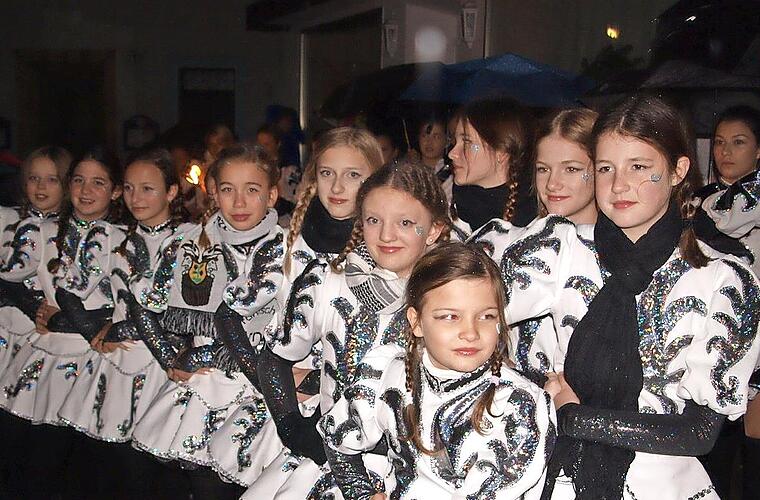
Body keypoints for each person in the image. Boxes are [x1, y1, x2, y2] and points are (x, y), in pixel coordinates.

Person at [470, 95, 760, 499]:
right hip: (556, 478)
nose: (618, 185)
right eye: (606, 168)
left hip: (664, 486)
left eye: (638, 167)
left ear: (678, 170)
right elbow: (461, 316)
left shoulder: (723, 280)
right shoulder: (560, 249)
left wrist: (573, 417)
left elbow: (697, 432)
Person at [245, 161, 450, 499]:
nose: (386, 235)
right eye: (373, 220)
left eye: (404, 222)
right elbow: (274, 358)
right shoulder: (329, 281)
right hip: (333, 466)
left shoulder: (452, 294)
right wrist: (292, 427)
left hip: (420, 474)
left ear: (433, 229)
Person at [207, 127, 384, 487]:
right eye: (327, 173)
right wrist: (273, 385)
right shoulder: (288, 246)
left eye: (353, 175)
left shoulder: (388, 248)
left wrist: (322, 381)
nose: (337, 187)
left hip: (363, 416)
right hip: (289, 405)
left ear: (375, 180)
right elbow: (228, 313)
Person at [321, 242, 556, 499]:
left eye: (486, 316)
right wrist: (361, 493)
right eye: (450, 317)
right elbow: (337, 439)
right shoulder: (389, 372)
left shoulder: (517, 403)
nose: (470, 333)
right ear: (417, 322)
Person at [127, 143, 283, 499]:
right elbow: (146, 301)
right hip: (204, 386)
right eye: (228, 189)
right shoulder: (188, 241)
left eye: (252, 190)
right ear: (214, 192)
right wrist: (171, 357)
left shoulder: (289, 250)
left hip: (259, 387)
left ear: (272, 195)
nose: (239, 202)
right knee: (203, 486)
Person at [52, 148, 188, 498]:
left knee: (161, 478)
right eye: (128, 188)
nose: (135, 198)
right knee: (113, 475)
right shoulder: (111, 237)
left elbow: (184, 312)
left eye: (147, 188)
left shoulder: (191, 240)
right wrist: (91, 329)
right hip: (116, 367)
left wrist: (121, 328)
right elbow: (68, 290)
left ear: (172, 191)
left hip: (166, 366)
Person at [0, 147, 124, 499]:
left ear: (116, 191)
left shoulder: (125, 239)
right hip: (45, 362)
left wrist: (70, 321)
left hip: (99, 362)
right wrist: (35, 306)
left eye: (98, 183)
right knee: (30, 466)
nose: (86, 190)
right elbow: (9, 278)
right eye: (79, 180)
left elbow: (132, 303)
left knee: (86, 476)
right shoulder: (43, 230)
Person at [696, 105, 760, 499]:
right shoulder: (706, 198)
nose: (725, 151)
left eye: (738, 142)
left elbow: (727, 221)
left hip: (756, 329)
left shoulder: (743, 200)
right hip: (718, 329)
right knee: (714, 443)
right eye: (719, 142)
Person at [512, 108, 598, 384]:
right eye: (543, 169)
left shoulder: (616, 254)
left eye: (571, 169)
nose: (552, 183)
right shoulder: (516, 243)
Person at [448, 98, 537, 238]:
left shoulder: (534, 224)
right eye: (455, 142)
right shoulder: (450, 208)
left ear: (501, 152)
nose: (452, 153)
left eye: (467, 142)